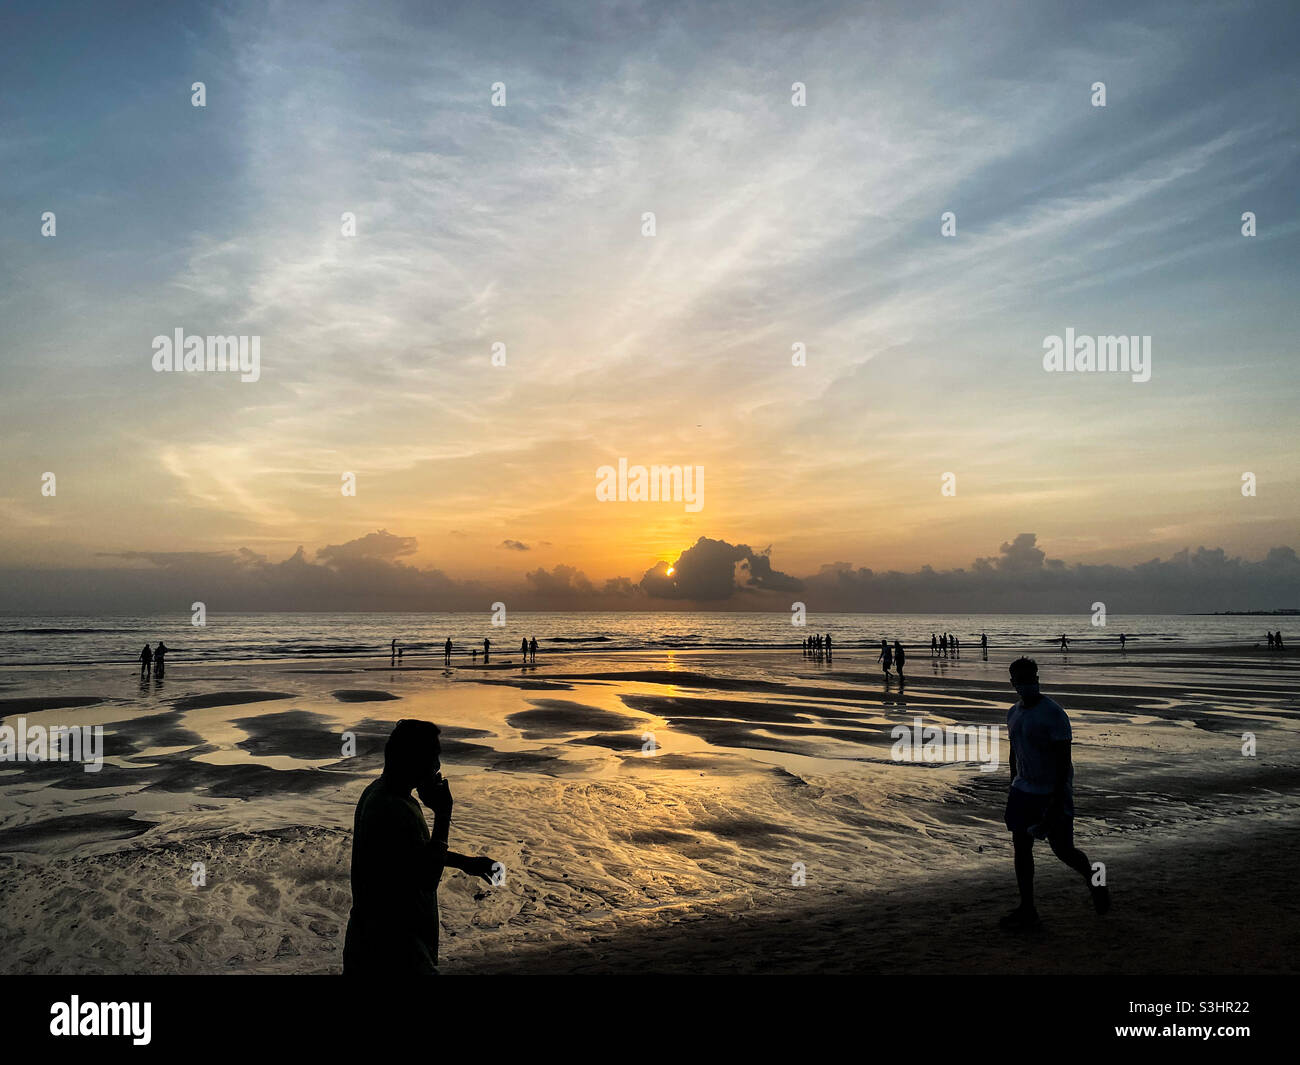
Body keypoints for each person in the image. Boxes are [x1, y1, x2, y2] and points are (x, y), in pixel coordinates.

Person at [343, 720, 498, 975]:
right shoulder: (393, 807)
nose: (437, 767)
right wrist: (443, 813)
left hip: (373, 939)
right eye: (433, 757)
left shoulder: (379, 793)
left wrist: (464, 862)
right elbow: (427, 876)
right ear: (412, 759)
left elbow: (410, 856)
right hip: (393, 946)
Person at [1000, 658, 1109, 931]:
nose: (1025, 683)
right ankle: (1028, 909)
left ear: (1037, 677)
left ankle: (1094, 877)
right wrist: (1012, 785)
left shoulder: (1054, 714)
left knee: (1064, 851)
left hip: (1050, 792)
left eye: (1029, 677)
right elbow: (1015, 751)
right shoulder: (1013, 713)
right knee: (1022, 849)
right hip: (1022, 791)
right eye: (1019, 679)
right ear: (1012, 682)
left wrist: (1057, 801)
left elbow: (1064, 762)